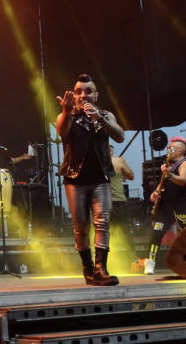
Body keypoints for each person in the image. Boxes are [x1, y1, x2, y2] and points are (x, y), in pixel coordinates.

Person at [56, 73, 125, 286]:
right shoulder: (66, 116)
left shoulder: (105, 115)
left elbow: (120, 136)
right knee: (81, 226)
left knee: (102, 222)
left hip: (100, 179)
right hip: (74, 179)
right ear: (74, 95)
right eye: (78, 91)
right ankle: (87, 269)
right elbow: (62, 132)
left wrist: (100, 119)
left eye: (88, 91)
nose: (83, 95)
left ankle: (100, 269)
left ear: (96, 95)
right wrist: (66, 112)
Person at [144, 136, 186, 275]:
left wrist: (169, 174)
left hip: (181, 205)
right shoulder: (169, 165)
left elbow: (182, 180)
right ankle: (150, 262)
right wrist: (156, 192)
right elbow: (163, 183)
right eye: (168, 149)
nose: (168, 151)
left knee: (185, 235)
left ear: (180, 151)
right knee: (156, 233)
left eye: (171, 149)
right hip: (166, 206)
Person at [109, 145, 135, 257]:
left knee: (101, 232)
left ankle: (101, 259)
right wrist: (122, 173)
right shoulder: (118, 161)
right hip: (118, 201)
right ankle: (133, 257)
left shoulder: (94, 162)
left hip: (101, 202)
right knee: (125, 231)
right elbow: (131, 175)